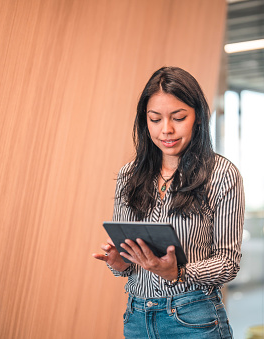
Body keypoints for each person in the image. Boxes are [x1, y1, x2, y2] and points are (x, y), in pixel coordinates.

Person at [93, 66, 245, 339]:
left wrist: (179, 272)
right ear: (145, 121)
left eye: (179, 117)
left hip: (193, 318)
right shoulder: (129, 175)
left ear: (197, 117)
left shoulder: (222, 175)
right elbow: (130, 264)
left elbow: (228, 263)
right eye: (155, 119)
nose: (166, 130)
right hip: (138, 317)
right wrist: (119, 263)